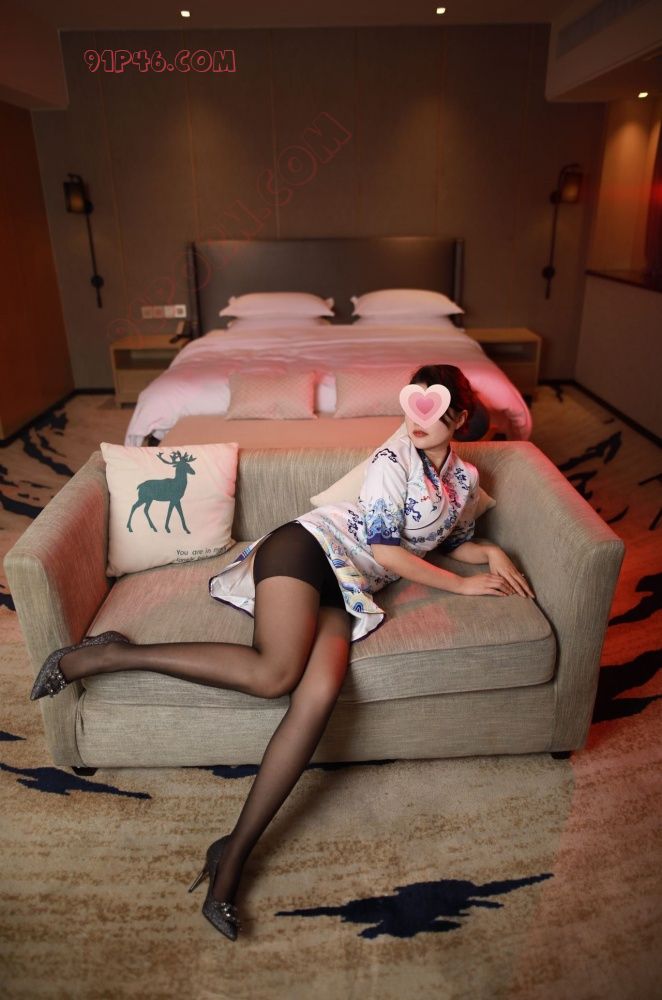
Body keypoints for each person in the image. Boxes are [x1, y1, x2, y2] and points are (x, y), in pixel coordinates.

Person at [30, 363, 534, 942]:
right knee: (275, 674)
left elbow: (453, 541)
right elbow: (387, 552)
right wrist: (463, 588)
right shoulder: (392, 459)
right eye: (412, 401)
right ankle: (109, 654)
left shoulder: (465, 479)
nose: (416, 417)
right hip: (308, 547)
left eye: (433, 406)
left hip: (348, 585)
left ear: (460, 416)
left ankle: (232, 853)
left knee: (317, 699)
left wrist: (491, 554)